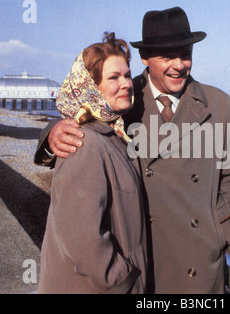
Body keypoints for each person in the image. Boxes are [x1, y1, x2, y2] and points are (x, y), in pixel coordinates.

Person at [35, 7, 230, 294]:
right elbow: (84, 123)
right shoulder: (124, 98)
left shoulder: (218, 104)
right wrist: (52, 133)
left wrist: (221, 232)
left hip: (200, 261)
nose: (179, 65)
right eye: (166, 57)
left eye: (185, 54)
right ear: (145, 57)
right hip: (143, 263)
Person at [38, 32, 148, 294]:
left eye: (127, 75)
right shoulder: (84, 143)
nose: (126, 84)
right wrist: (123, 281)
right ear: (91, 87)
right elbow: (80, 237)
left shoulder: (112, 134)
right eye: (113, 77)